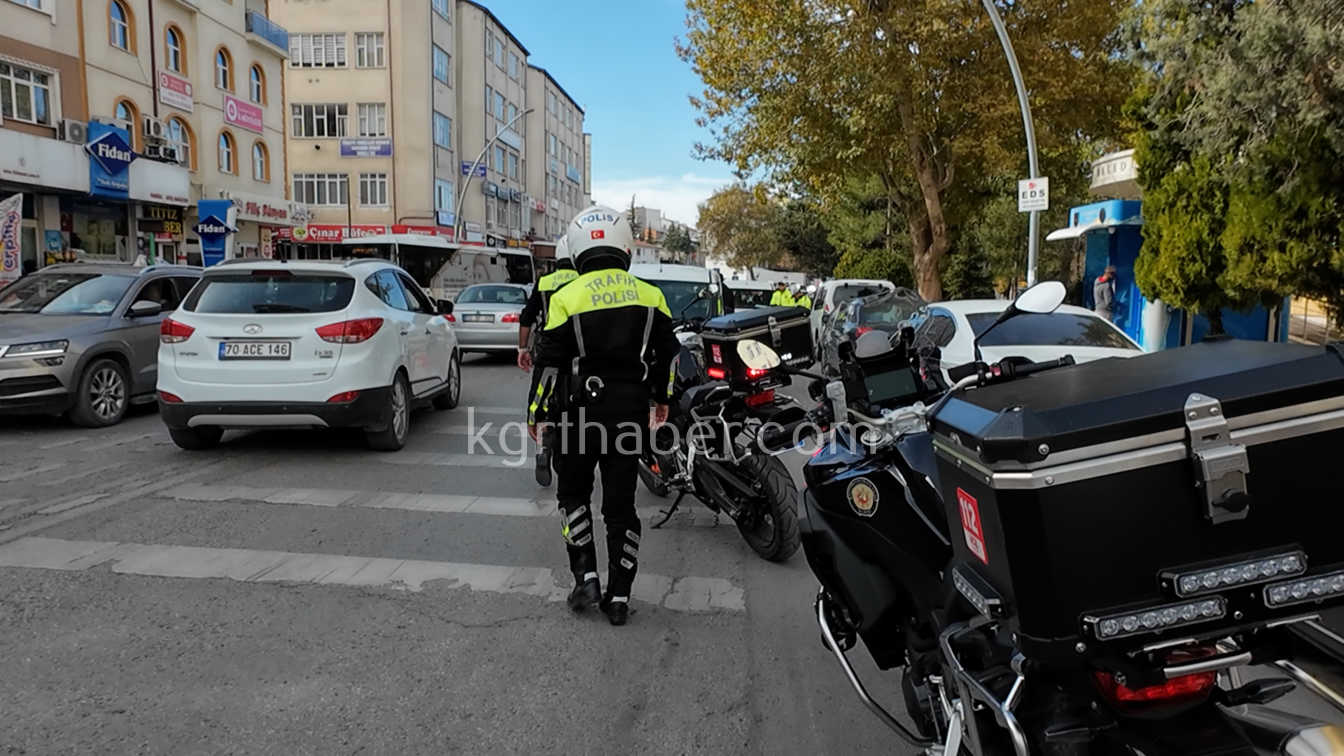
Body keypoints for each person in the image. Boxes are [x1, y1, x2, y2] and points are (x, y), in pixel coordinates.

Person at [532, 206, 680, 626]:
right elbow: (667, 357)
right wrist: (660, 398)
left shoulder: (565, 298)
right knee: (621, 507)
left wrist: (537, 413)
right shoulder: (651, 296)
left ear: (578, 248)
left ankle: (587, 579)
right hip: (629, 417)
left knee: (573, 496)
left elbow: (548, 365)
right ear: (625, 245)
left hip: (577, 418)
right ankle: (619, 597)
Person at [519, 236, 579, 486]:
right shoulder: (583, 282)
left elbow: (527, 317)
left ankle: (544, 445)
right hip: (578, 353)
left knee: (543, 399)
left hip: (547, 351)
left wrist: (523, 348)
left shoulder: (544, 282)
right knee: (575, 405)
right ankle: (567, 456)